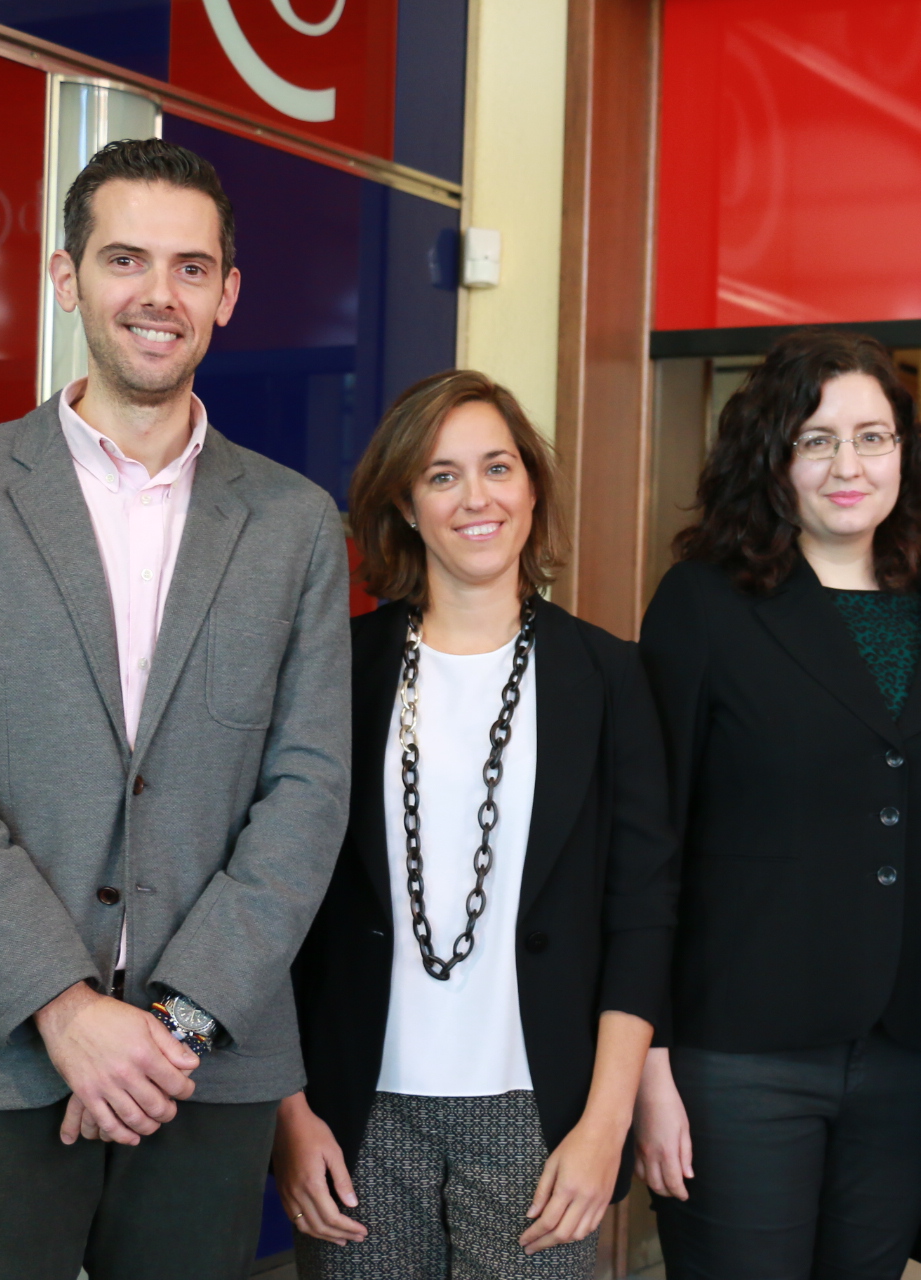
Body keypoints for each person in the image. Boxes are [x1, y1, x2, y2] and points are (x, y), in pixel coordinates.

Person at [0, 138, 351, 1279]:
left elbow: (309, 789)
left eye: (190, 267)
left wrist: (169, 1026)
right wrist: (65, 1008)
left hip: (206, 1064)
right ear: (66, 274)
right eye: (125, 258)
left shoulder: (292, 522)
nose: (157, 295)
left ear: (227, 294)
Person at [275, 370, 678, 1279]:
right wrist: (289, 1114)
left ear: (532, 486)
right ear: (407, 507)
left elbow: (643, 911)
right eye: (443, 475)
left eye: (498, 467)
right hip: (358, 1114)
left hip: (540, 1113)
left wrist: (605, 1123)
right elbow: (276, 903)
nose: (476, 498)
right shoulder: (336, 671)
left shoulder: (609, 677)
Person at [635, 330, 921, 1280]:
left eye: (873, 438)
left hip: (916, 1049)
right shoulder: (704, 607)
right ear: (772, 458)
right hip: (738, 1054)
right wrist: (647, 1059)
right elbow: (648, 844)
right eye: (817, 441)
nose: (849, 465)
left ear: (904, 455)